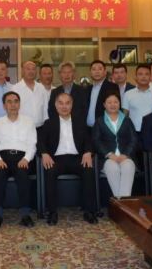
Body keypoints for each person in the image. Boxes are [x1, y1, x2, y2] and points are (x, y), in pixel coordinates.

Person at [39, 92, 98, 225]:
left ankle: (89, 211)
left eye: (67, 103)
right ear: (55, 105)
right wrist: (44, 153)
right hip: (56, 159)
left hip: (77, 158)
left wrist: (88, 152)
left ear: (72, 105)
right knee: (49, 171)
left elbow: (89, 140)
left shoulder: (80, 122)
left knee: (88, 170)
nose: (64, 106)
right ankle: (52, 212)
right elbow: (40, 141)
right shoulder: (49, 123)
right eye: (61, 103)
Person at [0, 91, 37, 228]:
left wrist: (26, 159)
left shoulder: (29, 122)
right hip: (2, 158)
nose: (13, 105)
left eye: (16, 101)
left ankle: (25, 215)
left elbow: (32, 144)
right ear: (4, 105)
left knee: (23, 175)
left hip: (22, 157)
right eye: (9, 102)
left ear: (19, 104)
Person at [92, 92, 139, 199]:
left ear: (119, 104)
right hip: (107, 158)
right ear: (104, 105)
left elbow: (134, 139)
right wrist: (109, 154)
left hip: (126, 157)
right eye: (109, 102)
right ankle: (123, 203)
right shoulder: (99, 121)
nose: (113, 104)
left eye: (115, 102)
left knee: (128, 166)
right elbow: (96, 141)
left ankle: (120, 202)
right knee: (112, 168)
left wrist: (126, 154)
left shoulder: (127, 120)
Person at [12, 61, 49, 128]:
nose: (31, 71)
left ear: (36, 72)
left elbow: (46, 108)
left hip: (41, 127)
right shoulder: (15, 89)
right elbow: (13, 109)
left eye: (33, 69)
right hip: (23, 128)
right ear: (22, 71)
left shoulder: (41, 87)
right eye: (28, 69)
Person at [122, 64, 152, 133]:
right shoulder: (128, 94)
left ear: (150, 77)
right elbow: (125, 116)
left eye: (146, 74)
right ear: (136, 77)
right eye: (140, 74)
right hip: (134, 132)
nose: (143, 77)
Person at [86, 60, 119, 128]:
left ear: (105, 72)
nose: (97, 72)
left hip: (105, 128)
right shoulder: (87, 89)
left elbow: (115, 109)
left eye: (100, 69)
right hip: (88, 129)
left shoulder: (112, 87)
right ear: (90, 73)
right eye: (94, 69)